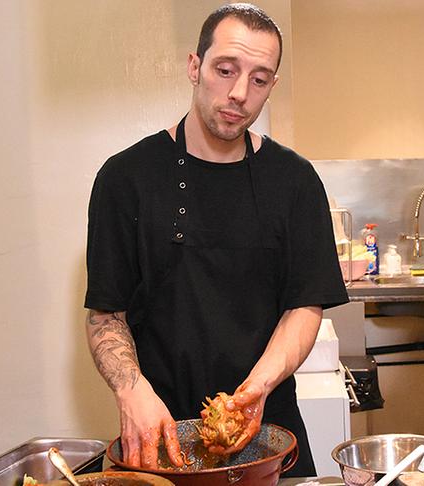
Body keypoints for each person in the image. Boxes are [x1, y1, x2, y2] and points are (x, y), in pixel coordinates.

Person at [83, 3, 348, 477]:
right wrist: (130, 390)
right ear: (195, 67)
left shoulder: (295, 181)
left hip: (268, 429)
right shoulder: (126, 178)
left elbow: (304, 306)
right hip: (160, 436)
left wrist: (257, 388)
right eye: (225, 70)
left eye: (259, 79)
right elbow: (106, 315)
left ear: (272, 86)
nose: (240, 93)